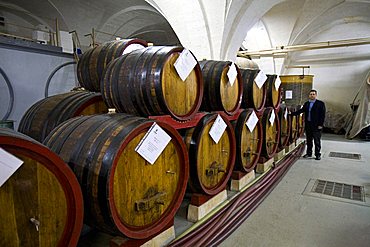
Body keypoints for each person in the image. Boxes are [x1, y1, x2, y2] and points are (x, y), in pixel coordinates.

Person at [291, 89, 326, 160]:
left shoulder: (320, 103)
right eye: (311, 94)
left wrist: (320, 125)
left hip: (316, 125)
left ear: (316, 95)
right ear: (309, 95)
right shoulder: (307, 103)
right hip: (308, 125)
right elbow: (301, 111)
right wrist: (292, 114)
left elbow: (322, 115)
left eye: (313, 94)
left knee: (317, 141)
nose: (312, 95)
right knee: (309, 140)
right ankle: (309, 153)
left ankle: (317, 154)